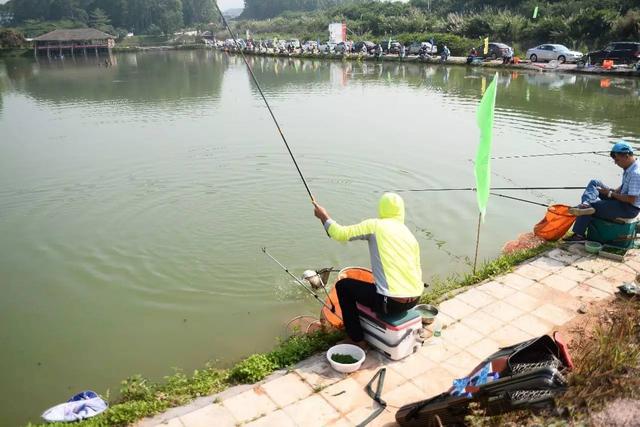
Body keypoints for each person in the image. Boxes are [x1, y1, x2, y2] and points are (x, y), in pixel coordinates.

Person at [312, 193, 424, 349]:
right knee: (368, 284)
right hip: (415, 300)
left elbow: (340, 233)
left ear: (382, 209)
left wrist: (323, 216)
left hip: (390, 303)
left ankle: (357, 339)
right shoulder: (408, 234)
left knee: (343, 287)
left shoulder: (375, 225)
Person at [564, 141, 640, 242]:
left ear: (626, 156)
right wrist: (614, 191)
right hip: (621, 198)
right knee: (594, 183)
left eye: (617, 160)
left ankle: (579, 235)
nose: (615, 163)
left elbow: (631, 199)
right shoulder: (631, 165)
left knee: (593, 205)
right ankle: (586, 204)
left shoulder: (635, 173)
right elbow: (626, 185)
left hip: (628, 208)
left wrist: (610, 194)